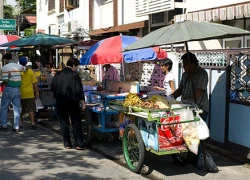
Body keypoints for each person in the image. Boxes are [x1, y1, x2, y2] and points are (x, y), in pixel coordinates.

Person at [171, 52, 210, 168]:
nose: (183, 67)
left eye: (185, 64)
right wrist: (171, 97)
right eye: (183, 64)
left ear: (192, 64)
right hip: (185, 109)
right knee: (187, 133)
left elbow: (199, 91)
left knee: (198, 135)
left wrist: (190, 101)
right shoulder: (185, 75)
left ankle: (198, 160)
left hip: (200, 109)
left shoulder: (202, 73)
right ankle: (186, 155)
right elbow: (180, 89)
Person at [51, 57, 86, 150]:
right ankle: (79, 143)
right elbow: (79, 90)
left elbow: (53, 87)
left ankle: (67, 143)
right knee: (76, 122)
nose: (77, 68)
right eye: (76, 66)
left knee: (64, 122)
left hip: (61, 102)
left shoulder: (58, 74)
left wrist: (57, 96)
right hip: (73, 102)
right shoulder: (75, 75)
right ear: (73, 65)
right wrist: (83, 102)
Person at [0, 53, 25, 132]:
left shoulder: (5, 67)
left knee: (4, 107)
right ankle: (16, 126)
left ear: (6, 59)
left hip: (9, 89)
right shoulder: (18, 66)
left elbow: (5, 80)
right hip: (17, 89)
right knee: (16, 108)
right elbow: (25, 68)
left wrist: (1, 83)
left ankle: (4, 125)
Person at [19, 58, 39, 130]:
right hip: (30, 93)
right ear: (26, 63)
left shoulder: (19, 71)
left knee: (22, 109)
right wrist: (36, 91)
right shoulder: (30, 71)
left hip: (21, 93)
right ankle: (33, 124)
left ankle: (20, 123)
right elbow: (35, 83)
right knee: (31, 109)